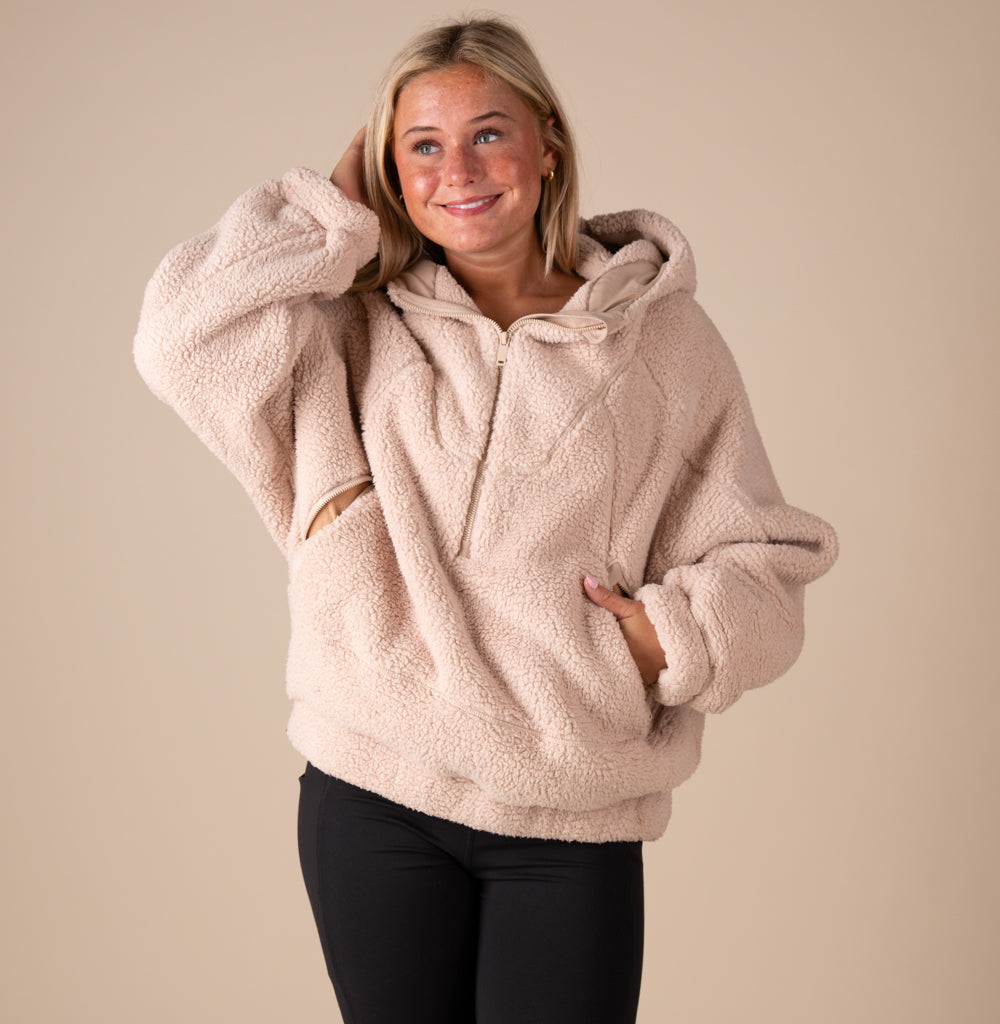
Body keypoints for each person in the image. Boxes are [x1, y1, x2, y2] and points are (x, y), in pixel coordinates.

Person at [134, 15, 837, 1024]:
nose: (456, 168)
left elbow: (764, 561)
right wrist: (330, 213)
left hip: (567, 807)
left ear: (546, 145)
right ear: (388, 167)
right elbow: (178, 339)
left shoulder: (662, 340)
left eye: (487, 133)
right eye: (421, 145)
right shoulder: (349, 322)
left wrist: (660, 637)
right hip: (374, 785)